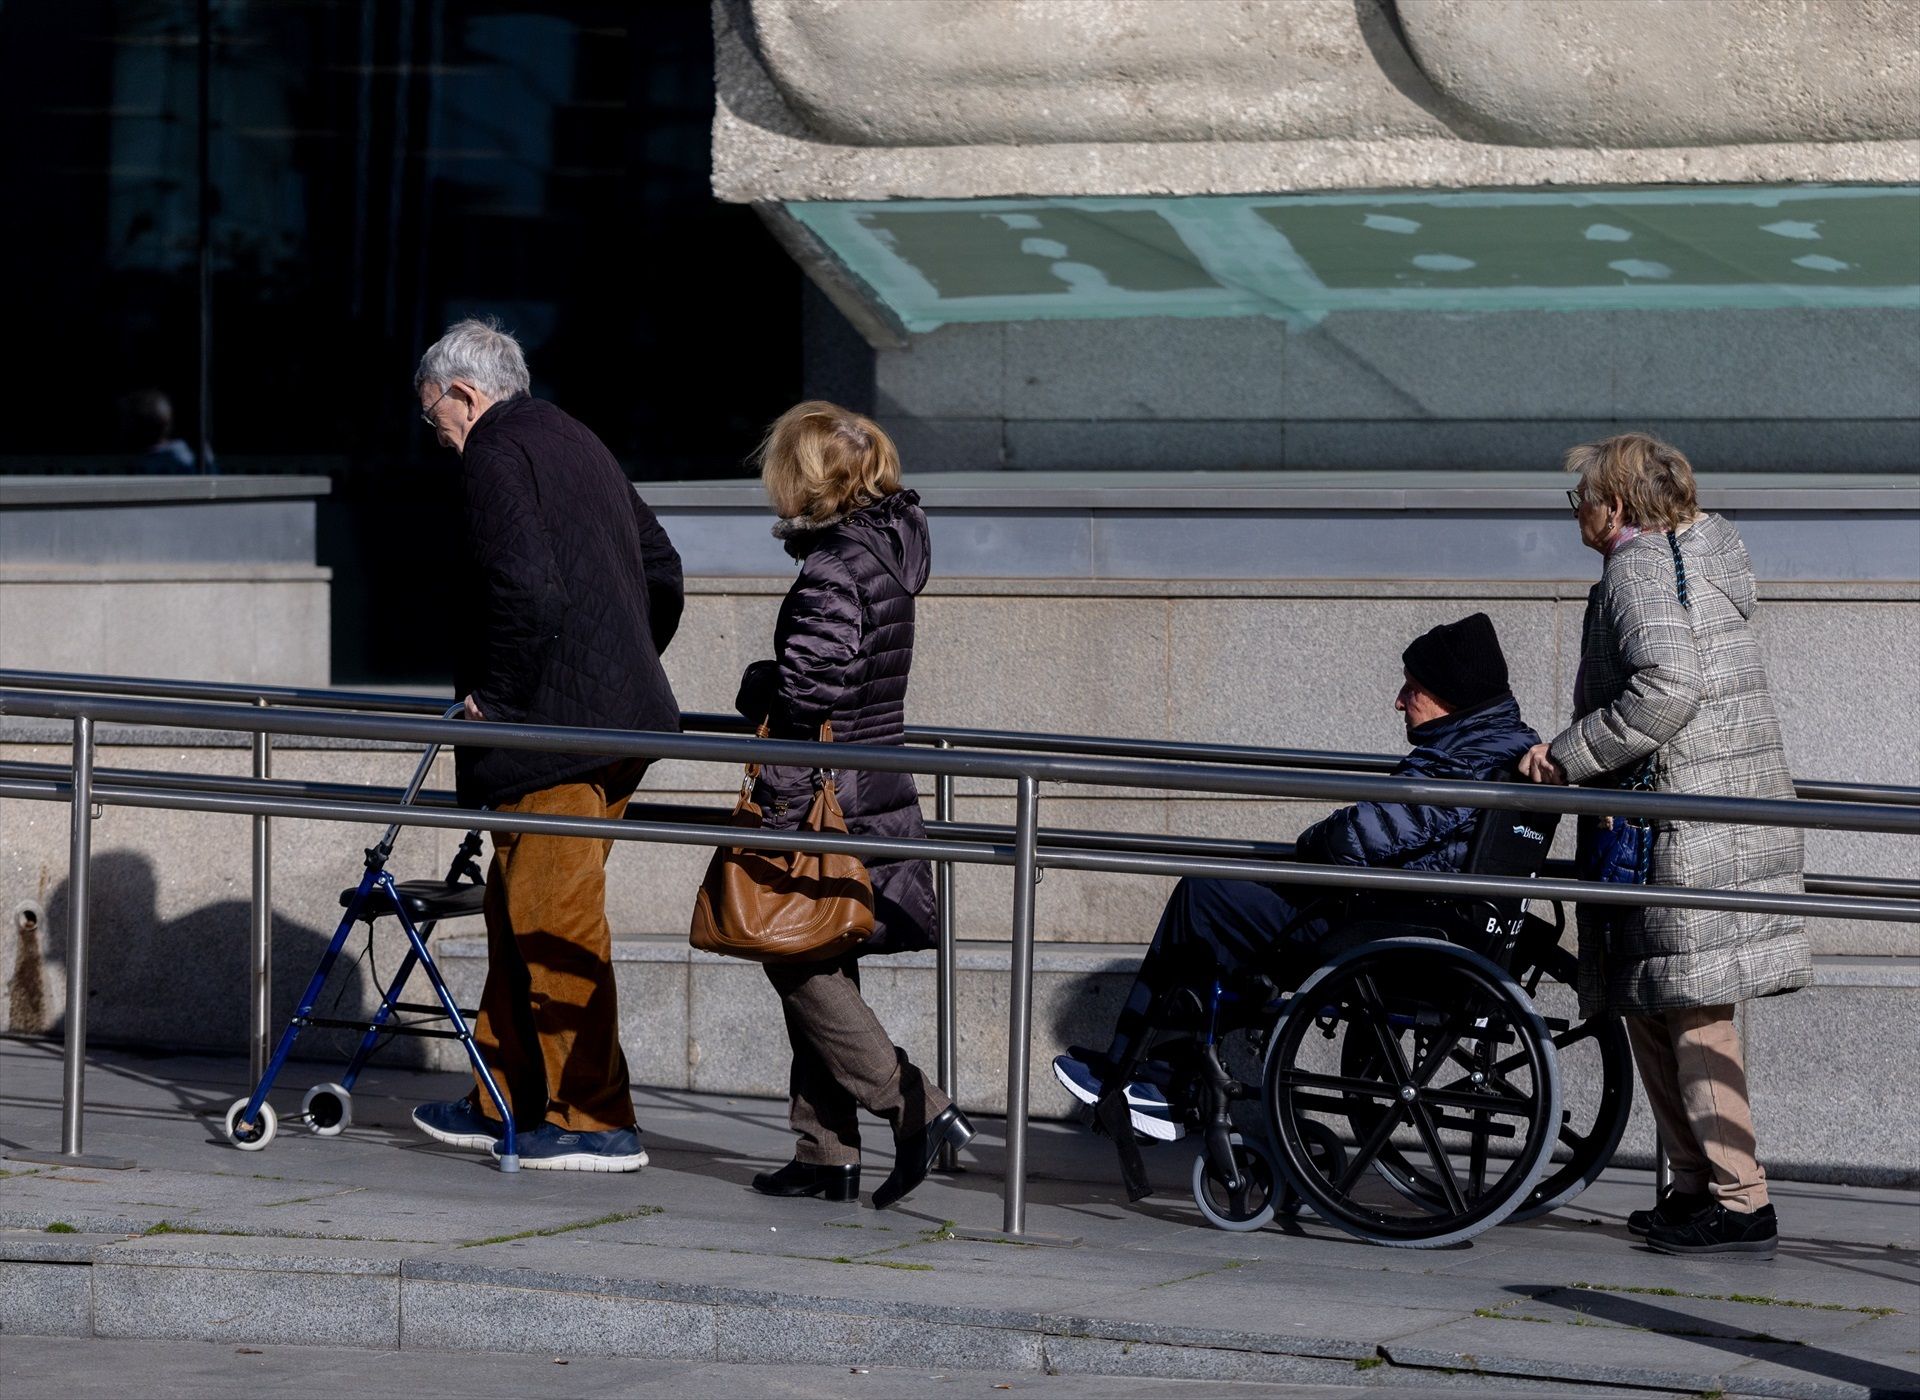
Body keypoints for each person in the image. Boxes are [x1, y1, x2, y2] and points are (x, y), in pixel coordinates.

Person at [1053, 614, 1540, 1182]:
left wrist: (1312, 844)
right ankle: (1168, 1072)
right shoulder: (1495, 744)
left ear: (1452, 696)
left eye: (1413, 687)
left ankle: (1152, 1079)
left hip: (1389, 932)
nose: (1399, 700)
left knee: (1204, 896)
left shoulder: (1465, 758)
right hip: (1411, 921)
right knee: (1236, 896)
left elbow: (1366, 835)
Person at [1519, 432, 1808, 1257]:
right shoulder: (1698, 556)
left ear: (1615, 505)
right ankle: (1694, 1186)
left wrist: (1568, 755)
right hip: (1707, 820)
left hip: (1681, 829)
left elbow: (1668, 689)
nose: (1576, 510)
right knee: (1656, 1002)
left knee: (1692, 1011)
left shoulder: (1639, 569)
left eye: (1581, 497)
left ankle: (1739, 1198)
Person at [408, 317, 685, 1172]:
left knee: (551, 919)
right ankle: (506, 1097)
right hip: (609, 723)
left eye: (435, 419)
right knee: (517, 907)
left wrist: (500, 696)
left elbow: (524, 590)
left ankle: (594, 1117)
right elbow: (663, 568)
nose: (441, 440)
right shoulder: (573, 436)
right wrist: (621, 672)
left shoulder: (494, 449)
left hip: (552, 732)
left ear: (463, 393)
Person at [734, 400, 970, 1210]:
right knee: (819, 949)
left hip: (824, 796)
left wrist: (761, 686)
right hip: (869, 786)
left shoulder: (835, 567)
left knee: (792, 952)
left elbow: (813, 686)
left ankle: (916, 1106)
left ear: (806, 478)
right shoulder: (884, 552)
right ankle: (824, 1150)